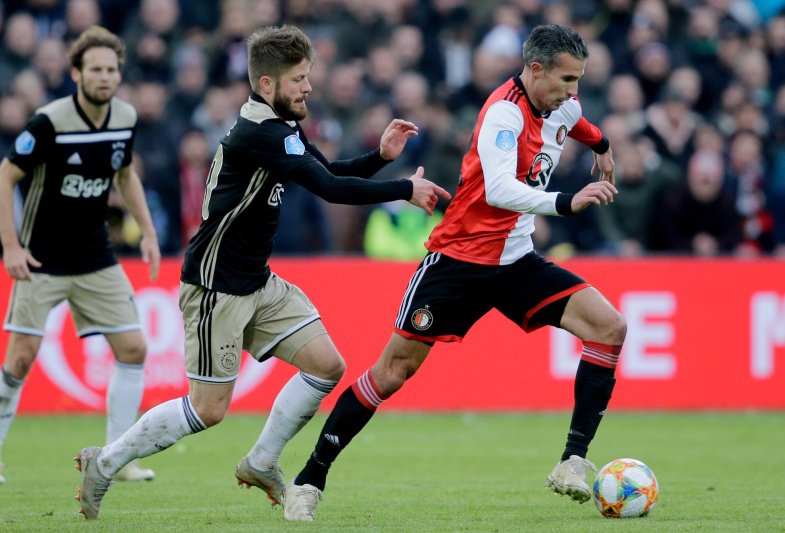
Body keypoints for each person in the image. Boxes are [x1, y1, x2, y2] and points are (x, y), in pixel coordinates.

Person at [73, 24, 450, 520]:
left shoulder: (281, 127)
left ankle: (261, 460)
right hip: (215, 287)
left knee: (326, 365)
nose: (308, 87)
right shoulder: (260, 133)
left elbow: (328, 172)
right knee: (208, 410)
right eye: (298, 78)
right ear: (267, 84)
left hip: (256, 280)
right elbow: (330, 191)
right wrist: (403, 189)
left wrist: (379, 158)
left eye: (308, 76)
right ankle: (104, 463)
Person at [284, 24, 625, 521]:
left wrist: (602, 146)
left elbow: (581, 123)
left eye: (579, 81)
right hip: (459, 262)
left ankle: (572, 461)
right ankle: (309, 478)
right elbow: (499, 191)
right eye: (566, 80)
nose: (573, 92)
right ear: (535, 70)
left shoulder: (563, 106)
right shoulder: (502, 115)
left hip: (515, 262)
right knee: (392, 372)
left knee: (610, 328)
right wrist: (568, 201)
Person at [0, 26, 161, 486]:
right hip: (41, 259)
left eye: (112, 69)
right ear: (76, 73)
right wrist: (11, 246)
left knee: (134, 348)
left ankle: (118, 459)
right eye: (95, 69)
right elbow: (5, 176)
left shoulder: (125, 117)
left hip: (96, 257)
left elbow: (126, 175)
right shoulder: (49, 122)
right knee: (19, 360)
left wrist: (147, 231)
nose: (105, 77)